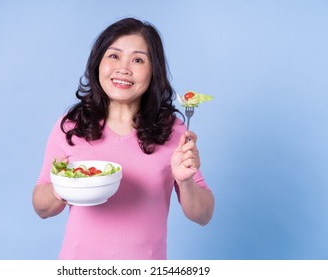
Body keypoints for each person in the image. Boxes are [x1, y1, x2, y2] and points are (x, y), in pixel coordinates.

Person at [32, 17, 214, 260]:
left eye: (138, 59)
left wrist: (185, 182)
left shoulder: (175, 131)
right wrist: (66, 187)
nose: (123, 68)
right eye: (114, 56)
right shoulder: (72, 125)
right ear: (98, 63)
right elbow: (41, 208)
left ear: (153, 71)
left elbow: (203, 215)